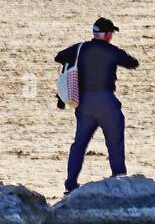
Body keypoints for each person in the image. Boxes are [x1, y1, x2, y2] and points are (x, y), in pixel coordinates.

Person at [55, 17, 139, 193]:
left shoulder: (80, 48)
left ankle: (70, 184)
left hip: (84, 102)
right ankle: (119, 179)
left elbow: (59, 57)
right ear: (107, 35)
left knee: (79, 144)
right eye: (111, 33)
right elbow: (133, 63)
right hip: (106, 101)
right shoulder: (112, 51)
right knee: (115, 142)